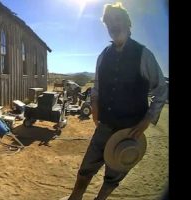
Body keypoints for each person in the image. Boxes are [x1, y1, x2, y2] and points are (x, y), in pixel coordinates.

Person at [61, 3, 168, 200]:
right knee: (85, 171)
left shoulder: (143, 54)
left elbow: (161, 89)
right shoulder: (104, 56)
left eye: (117, 20)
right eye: (109, 22)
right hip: (104, 127)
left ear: (128, 23)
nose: (113, 25)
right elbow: (97, 86)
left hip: (130, 132)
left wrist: (147, 120)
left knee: (113, 176)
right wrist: (94, 103)